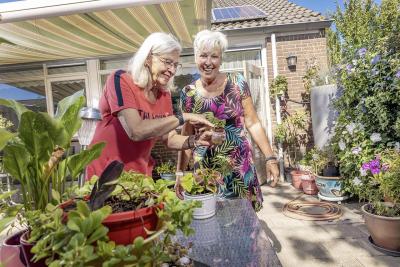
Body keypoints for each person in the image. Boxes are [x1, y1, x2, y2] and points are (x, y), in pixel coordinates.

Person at [175, 30, 279, 211]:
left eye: (214, 56)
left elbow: (253, 122)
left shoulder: (237, 83)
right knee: (210, 219)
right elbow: (186, 135)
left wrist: (270, 158)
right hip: (205, 171)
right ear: (195, 58)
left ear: (221, 59)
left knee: (244, 221)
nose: (208, 62)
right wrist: (180, 172)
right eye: (203, 56)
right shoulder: (188, 93)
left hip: (239, 167)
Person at [87, 32, 213, 179]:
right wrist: (184, 117)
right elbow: (136, 130)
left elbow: (170, 138)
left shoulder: (163, 95)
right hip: (104, 176)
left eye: (175, 65)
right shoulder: (120, 80)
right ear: (148, 58)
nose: (172, 70)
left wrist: (195, 140)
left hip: (139, 176)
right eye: (167, 62)